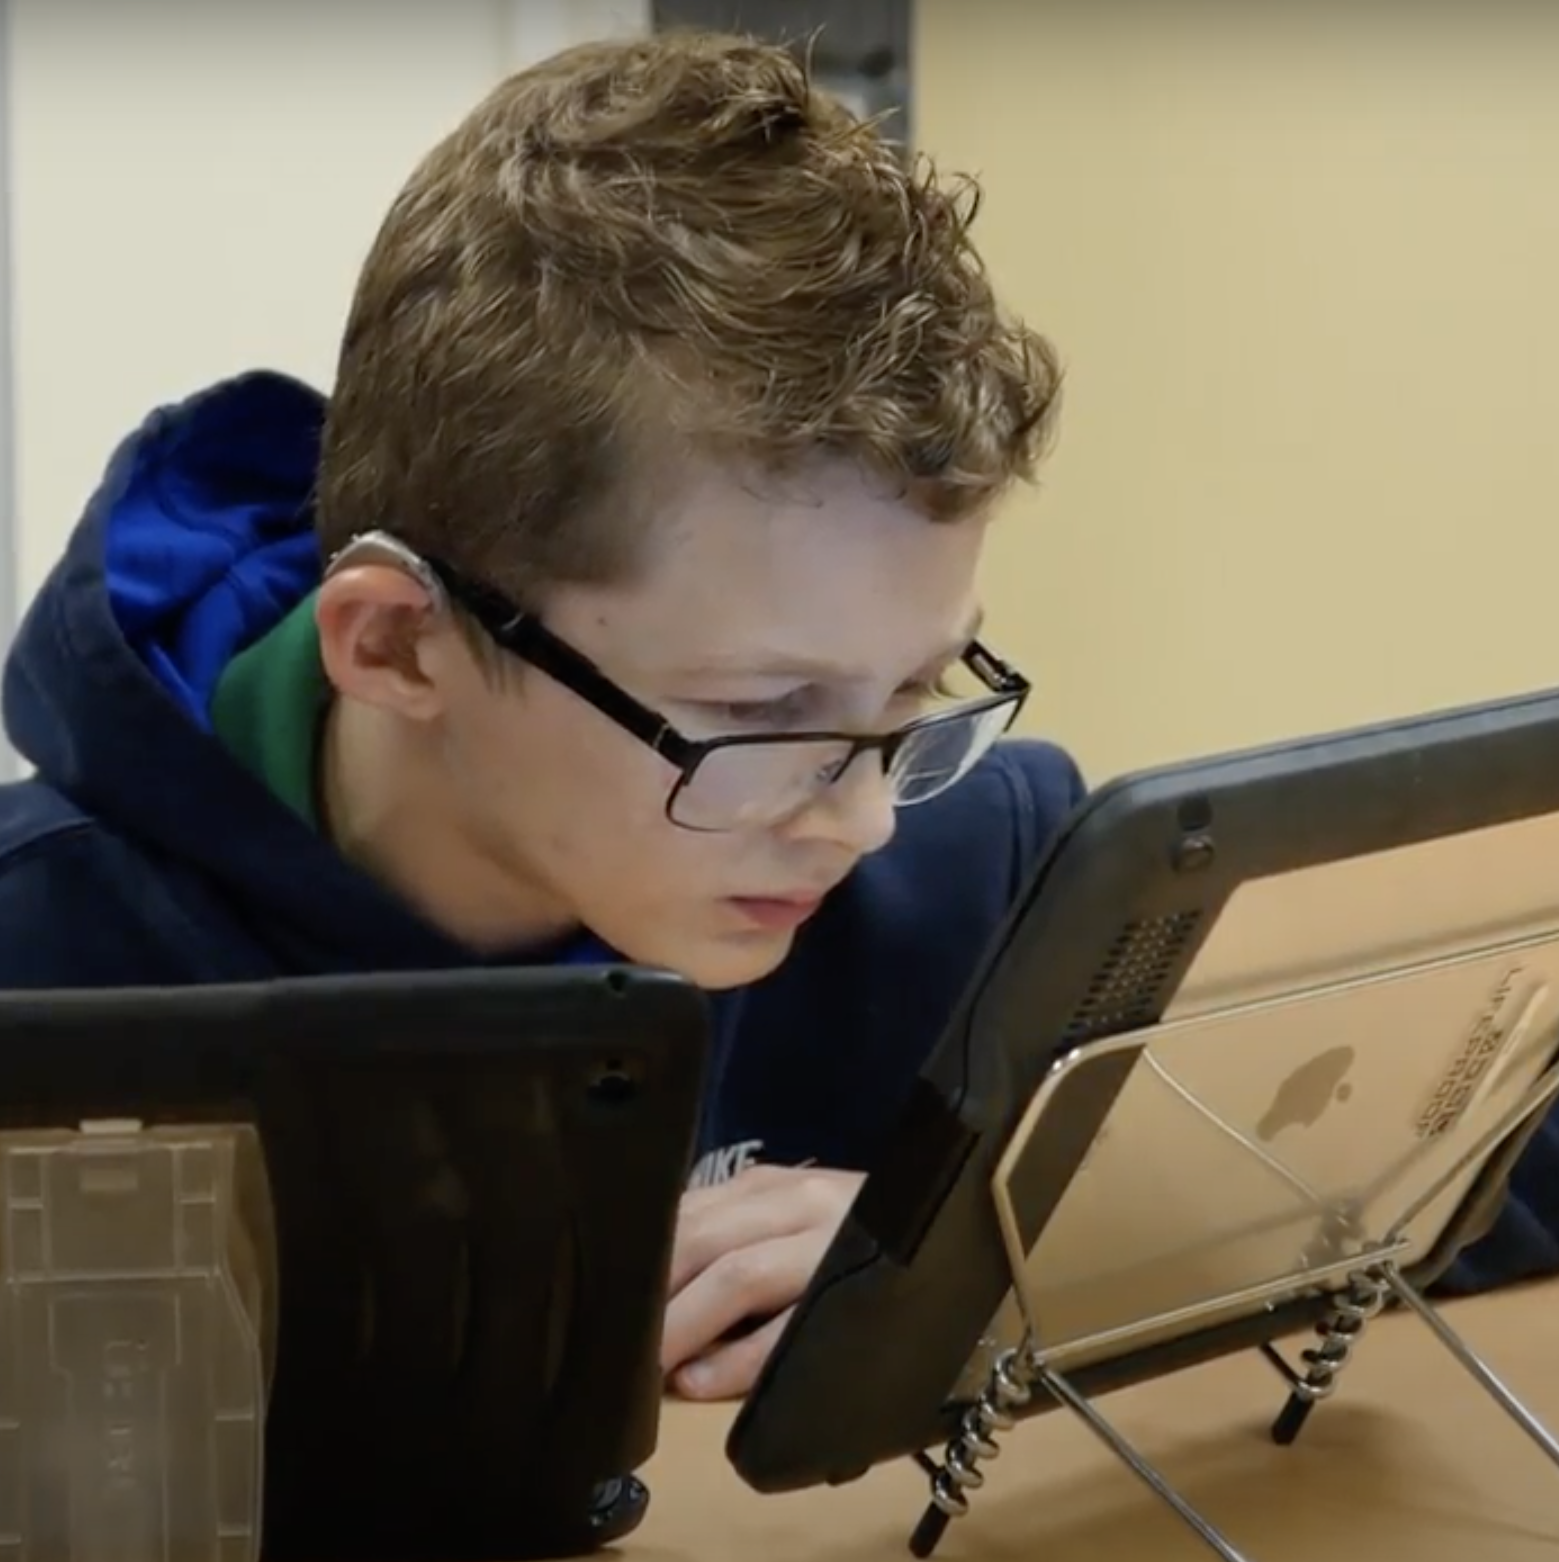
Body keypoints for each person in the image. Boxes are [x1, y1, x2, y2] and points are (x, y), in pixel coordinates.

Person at [0, 31, 1540, 1412]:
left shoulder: (986, 869)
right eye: (761, 713)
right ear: (400, 642)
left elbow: (1504, 1173)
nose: (861, 817)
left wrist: (1004, 1257)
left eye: (915, 693)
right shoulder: (43, 956)